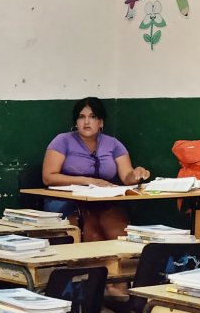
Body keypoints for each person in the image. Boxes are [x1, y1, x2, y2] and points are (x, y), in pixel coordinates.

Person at [41, 97, 150, 242]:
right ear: (76, 122)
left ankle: (122, 264)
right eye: (81, 117)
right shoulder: (62, 141)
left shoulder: (113, 144)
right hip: (67, 202)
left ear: (101, 122)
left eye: (93, 117)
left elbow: (127, 177)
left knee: (117, 232)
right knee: (92, 234)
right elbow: (48, 177)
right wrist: (88, 181)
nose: (86, 122)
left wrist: (137, 173)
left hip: (102, 201)